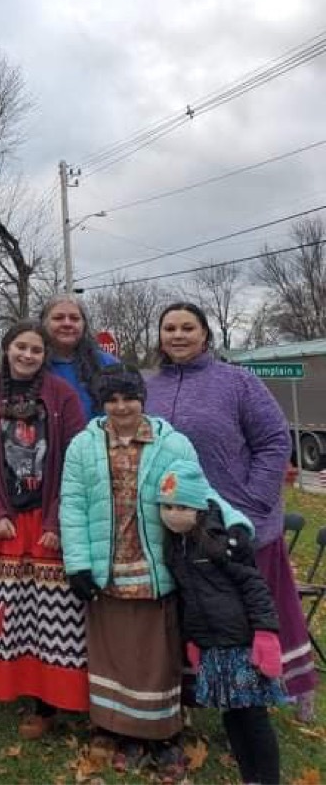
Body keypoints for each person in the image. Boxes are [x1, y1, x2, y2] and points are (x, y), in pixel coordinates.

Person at [60, 364, 252, 775]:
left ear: (142, 400)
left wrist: (236, 523)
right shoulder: (82, 446)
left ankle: (164, 736)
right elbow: (72, 506)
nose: (121, 406)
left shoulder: (172, 444)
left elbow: (201, 491)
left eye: (129, 397)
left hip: (155, 569)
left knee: (155, 658)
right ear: (101, 404)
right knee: (116, 656)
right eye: (111, 399)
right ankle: (124, 734)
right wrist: (76, 563)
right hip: (106, 568)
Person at [145, 301, 318, 715]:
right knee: (195, 609)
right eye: (170, 328)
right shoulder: (149, 387)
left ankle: (289, 684)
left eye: (188, 327)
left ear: (205, 334)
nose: (178, 335)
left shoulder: (238, 382)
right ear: (160, 336)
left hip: (240, 520)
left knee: (259, 606)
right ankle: (198, 691)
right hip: (176, 523)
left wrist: (252, 502)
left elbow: (275, 440)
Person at [0, 320, 88, 735]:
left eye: (36, 350)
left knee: (54, 615)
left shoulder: (62, 395)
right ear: (7, 349)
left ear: (44, 355)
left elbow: (75, 459)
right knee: (9, 609)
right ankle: (12, 686)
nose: (28, 355)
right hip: (6, 521)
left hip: (48, 518)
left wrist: (57, 519)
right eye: (21, 347)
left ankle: (50, 702)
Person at [158, 458, 285, 785]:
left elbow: (253, 585)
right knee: (230, 716)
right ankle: (249, 777)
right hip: (211, 647)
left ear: (198, 505)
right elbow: (188, 598)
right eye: (166, 506)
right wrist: (192, 640)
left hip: (240, 645)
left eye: (181, 505)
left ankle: (268, 779)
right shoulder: (176, 547)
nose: (173, 512)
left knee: (253, 717)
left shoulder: (219, 541)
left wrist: (266, 633)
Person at [40, 295, 117, 421]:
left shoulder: (107, 365)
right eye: (58, 318)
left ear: (84, 325)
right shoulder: (32, 366)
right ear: (44, 324)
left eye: (74, 319)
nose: (67, 323)